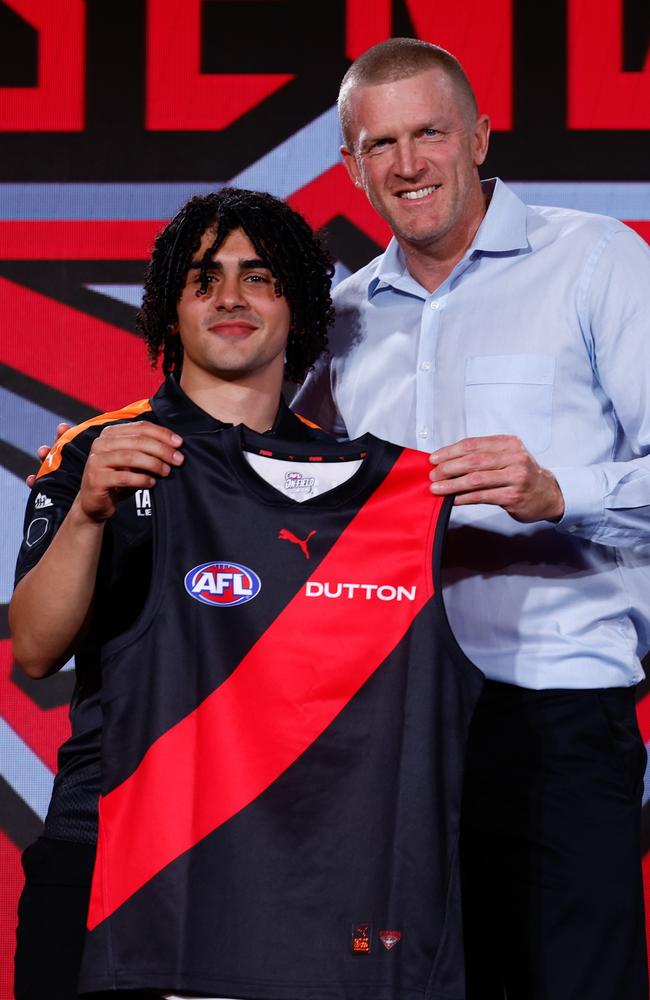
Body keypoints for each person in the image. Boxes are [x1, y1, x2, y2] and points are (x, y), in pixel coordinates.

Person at [293, 37, 650, 1000]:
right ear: (351, 167)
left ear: (481, 136)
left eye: (431, 133)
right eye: (381, 145)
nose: (409, 164)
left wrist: (557, 493)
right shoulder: (339, 320)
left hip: (556, 711)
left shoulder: (597, 262)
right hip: (386, 731)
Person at [10, 187, 334, 999]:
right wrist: (88, 513)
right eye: (205, 277)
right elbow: (37, 651)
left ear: (298, 309)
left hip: (283, 854)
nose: (231, 296)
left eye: (260, 277)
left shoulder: (345, 477)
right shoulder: (97, 450)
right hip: (106, 837)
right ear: (168, 310)